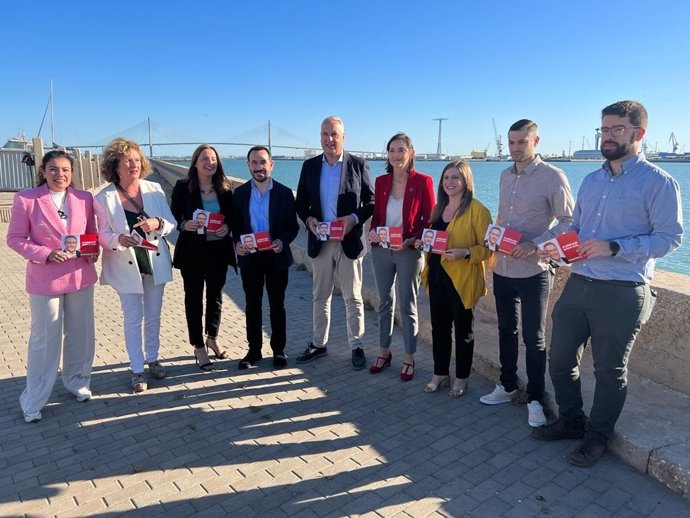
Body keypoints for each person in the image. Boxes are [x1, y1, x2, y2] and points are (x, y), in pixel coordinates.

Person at [532, 100, 683, 467]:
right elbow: (575, 228)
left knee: (609, 370)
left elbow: (669, 239)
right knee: (560, 358)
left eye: (617, 129)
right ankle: (571, 422)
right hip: (580, 281)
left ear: (638, 133)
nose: (608, 137)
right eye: (604, 130)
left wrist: (614, 247)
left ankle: (596, 439)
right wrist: (550, 244)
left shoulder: (659, 183)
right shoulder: (592, 179)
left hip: (622, 290)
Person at [479, 119, 574, 429]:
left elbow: (569, 222)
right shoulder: (506, 175)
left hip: (534, 270)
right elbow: (503, 217)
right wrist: (494, 237)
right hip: (503, 267)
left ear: (536, 141)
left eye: (522, 142)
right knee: (506, 330)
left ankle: (535, 397)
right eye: (511, 143)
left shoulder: (553, 177)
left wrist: (535, 243)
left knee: (534, 338)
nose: (515, 148)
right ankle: (507, 385)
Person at [7, 150, 98, 422]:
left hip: (80, 275)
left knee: (81, 334)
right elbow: (14, 238)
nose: (61, 175)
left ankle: (78, 382)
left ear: (72, 172)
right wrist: (44, 253)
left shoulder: (84, 198)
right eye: (54, 169)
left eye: (66, 169)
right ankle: (34, 397)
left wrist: (92, 251)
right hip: (45, 278)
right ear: (44, 171)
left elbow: (90, 234)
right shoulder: (26, 199)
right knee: (44, 339)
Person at [94, 138, 175, 393]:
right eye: (127, 160)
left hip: (154, 260)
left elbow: (171, 222)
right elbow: (101, 234)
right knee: (133, 318)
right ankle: (137, 369)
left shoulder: (153, 189)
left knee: (153, 315)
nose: (133, 164)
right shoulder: (103, 197)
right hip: (124, 263)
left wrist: (158, 223)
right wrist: (118, 238)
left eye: (137, 159)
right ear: (114, 165)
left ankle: (153, 359)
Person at [295, 116, 375, 370]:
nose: (329, 139)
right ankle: (319, 343)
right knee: (321, 296)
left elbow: (371, 202)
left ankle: (357, 345)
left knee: (353, 297)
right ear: (320, 136)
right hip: (320, 241)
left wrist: (353, 219)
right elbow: (300, 203)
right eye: (325, 134)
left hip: (348, 241)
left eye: (334, 134)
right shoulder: (309, 166)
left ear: (343, 137)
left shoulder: (358, 165)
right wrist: (308, 220)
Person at [419, 161, 492, 397]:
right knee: (439, 328)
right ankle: (440, 372)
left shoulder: (478, 210)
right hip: (437, 275)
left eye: (455, 178)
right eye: (446, 178)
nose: (449, 182)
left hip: (462, 278)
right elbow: (432, 239)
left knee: (463, 330)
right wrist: (424, 243)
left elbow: (489, 247)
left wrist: (466, 252)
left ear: (466, 182)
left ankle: (462, 377)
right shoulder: (438, 208)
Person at [368, 132, 434, 381]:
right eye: (392, 150)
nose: (396, 155)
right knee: (384, 302)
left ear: (411, 153)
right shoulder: (381, 181)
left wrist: (412, 238)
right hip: (382, 251)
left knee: (408, 304)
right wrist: (374, 233)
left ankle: (409, 356)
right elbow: (377, 217)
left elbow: (429, 221)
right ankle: (384, 352)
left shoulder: (423, 182)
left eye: (401, 150)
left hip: (409, 252)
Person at [171, 144, 236, 371]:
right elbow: (174, 217)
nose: (210, 163)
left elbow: (233, 218)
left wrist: (227, 227)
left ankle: (212, 337)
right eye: (205, 159)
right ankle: (198, 346)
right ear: (195, 162)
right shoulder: (183, 187)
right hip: (192, 252)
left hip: (218, 250)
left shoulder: (225, 188)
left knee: (216, 297)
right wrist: (184, 224)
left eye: (213, 159)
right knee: (194, 299)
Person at [233, 146, 299, 369]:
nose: (258, 167)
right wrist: (237, 244)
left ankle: (279, 350)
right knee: (252, 305)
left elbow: (292, 226)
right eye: (254, 162)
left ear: (271, 164)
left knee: (277, 305)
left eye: (262, 162)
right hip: (250, 258)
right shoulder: (240, 193)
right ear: (248, 165)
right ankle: (254, 351)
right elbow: (235, 227)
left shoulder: (284, 192)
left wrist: (282, 241)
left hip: (275, 257)